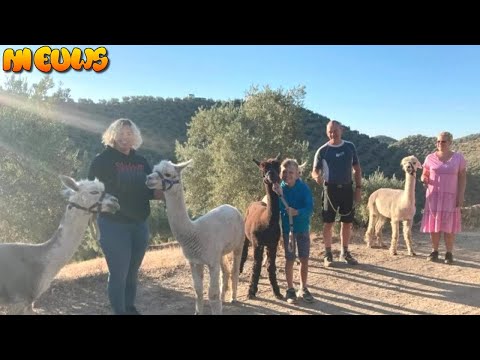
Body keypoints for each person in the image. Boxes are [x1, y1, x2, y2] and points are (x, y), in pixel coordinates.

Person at [88, 118, 164, 315]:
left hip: (139, 225)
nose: (124, 138)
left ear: (135, 137)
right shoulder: (102, 161)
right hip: (113, 225)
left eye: (129, 134)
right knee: (119, 274)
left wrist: (166, 192)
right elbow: (90, 191)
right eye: (120, 134)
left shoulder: (141, 161)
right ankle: (119, 311)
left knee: (132, 273)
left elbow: (151, 190)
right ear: (112, 135)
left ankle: (129, 309)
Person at [311, 120, 362, 267]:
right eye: (330, 131)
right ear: (327, 133)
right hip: (330, 190)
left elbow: (357, 169)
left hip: (347, 188)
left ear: (341, 130)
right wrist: (316, 177)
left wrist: (358, 189)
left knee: (347, 222)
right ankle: (328, 254)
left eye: (335, 130)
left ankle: (344, 252)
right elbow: (314, 171)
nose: (333, 133)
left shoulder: (349, 147)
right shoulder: (322, 150)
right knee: (328, 223)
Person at [421, 131, 467, 265]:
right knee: (434, 226)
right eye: (438, 141)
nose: (440, 144)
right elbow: (425, 173)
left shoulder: (459, 158)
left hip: (451, 197)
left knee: (449, 227)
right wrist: (423, 178)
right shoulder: (430, 158)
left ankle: (449, 253)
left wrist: (461, 195)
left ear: (450, 142)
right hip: (433, 196)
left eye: (443, 141)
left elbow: (463, 177)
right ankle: (434, 251)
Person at [274, 159, 314, 304]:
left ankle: (303, 287)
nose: (287, 175)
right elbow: (276, 208)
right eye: (284, 172)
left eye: (291, 172)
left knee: (304, 259)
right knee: (289, 259)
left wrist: (297, 212)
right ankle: (290, 289)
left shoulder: (303, 188)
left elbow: (310, 208)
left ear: (297, 174)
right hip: (287, 231)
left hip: (302, 228)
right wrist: (277, 194)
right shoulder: (279, 189)